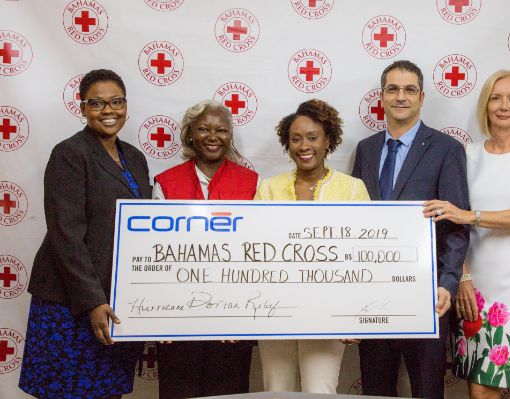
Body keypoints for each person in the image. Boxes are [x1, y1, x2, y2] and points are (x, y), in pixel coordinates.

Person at [18, 69, 150, 399]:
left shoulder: (135, 157)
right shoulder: (69, 154)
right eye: (97, 103)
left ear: (126, 106)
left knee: (109, 391)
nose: (109, 110)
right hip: (70, 302)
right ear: (83, 108)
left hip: (116, 299)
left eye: (116, 101)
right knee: (67, 391)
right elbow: (66, 236)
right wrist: (93, 301)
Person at [423, 70, 510, 399]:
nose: (504, 106)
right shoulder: (465, 154)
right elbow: (451, 226)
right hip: (472, 286)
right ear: (485, 105)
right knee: (477, 388)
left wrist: (469, 215)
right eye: (496, 98)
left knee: (486, 390)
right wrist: (462, 276)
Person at [351, 60, 470, 399]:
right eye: (393, 89)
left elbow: (456, 226)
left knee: (427, 389)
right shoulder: (367, 150)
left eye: (408, 90)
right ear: (382, 97)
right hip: (374, 296)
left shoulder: (447, 149)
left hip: (427, 295)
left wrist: (447, 282)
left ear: (421, 96)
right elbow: (356, 224)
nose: (400, 97)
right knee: (376, 389)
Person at [255, 98, 370, 393]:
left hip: (329, 313)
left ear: (328, 141)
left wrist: (355, 314)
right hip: (274, 311)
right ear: (287, 144)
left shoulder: (352, 189)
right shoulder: (267, 188)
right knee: (276, 390)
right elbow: (252, 252)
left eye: (312, 137)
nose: (303, 145)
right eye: (296, 139)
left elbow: (366, 257)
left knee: (319, 391)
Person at [153, 100, 257, 399]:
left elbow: (257, 255)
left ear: (230, 136)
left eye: (222, 130)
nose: (213, 136)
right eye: (204, 129)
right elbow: (155, 256)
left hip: (232, 320)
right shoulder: (166, 183)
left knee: (229, 392)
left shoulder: (251, 183)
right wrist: (159, 320)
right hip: (177, 319)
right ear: (190, 135)